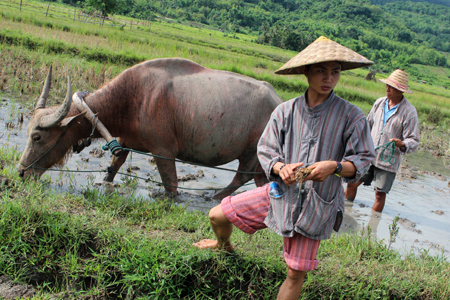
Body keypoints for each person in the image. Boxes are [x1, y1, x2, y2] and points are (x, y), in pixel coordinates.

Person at [193, 36, 375, 299]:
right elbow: (266, 148)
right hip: (280, 193)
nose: (329, 79)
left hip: (316, 203)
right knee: (217, 215)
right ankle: (224, 246)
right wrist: (279, 167)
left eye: (335, 72)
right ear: (306, 71)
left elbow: (364, 158)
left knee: (294, 272)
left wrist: (334, 167)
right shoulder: (285, 111)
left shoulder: (351, 115)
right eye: (321, 71)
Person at [344, 69, 420, 213]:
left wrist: (402, 143)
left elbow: (414, 140)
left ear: (400, 90)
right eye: (387, 85)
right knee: (352, 184)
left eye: (391, 87)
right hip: (368, 155)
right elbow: (367, 125)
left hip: (388, 162)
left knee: (379, 194)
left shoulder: (409, 112)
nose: (387, 89)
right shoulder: (379, 103)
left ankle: (372, 229)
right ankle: (344, 213)